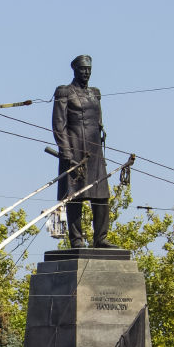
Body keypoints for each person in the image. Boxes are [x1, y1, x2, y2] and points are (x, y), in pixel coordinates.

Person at [51, 55, 118, 249]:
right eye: (82, 69)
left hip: (95, 149)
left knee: (101, 195)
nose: (86, 72)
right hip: (74, 148)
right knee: (75, 195)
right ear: (75, 70)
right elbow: (59, 124)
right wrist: (66, 152)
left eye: (88, 68)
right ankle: (77, 240)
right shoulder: (64, 92)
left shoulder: (95, 93)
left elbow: (98, 122)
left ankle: (101, 238)